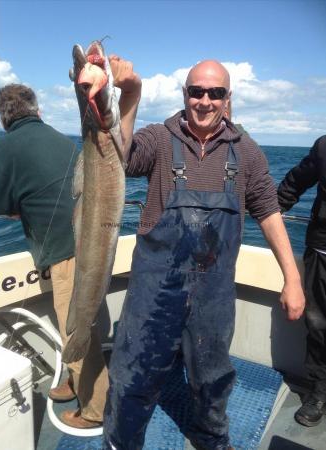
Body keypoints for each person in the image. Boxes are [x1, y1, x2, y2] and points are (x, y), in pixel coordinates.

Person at [103, 58, 306, 450]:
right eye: (197, 91)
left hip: (214, 293)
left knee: (212, 377)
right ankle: (122, 442)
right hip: (154, 291)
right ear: (185, 95)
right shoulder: (160, 140)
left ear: (228, 99)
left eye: (216, 93)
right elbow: (121, 158)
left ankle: (211, 437)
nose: (206, 101)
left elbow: (267, 210)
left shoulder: (246, 152)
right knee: (133, 378)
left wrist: (293, 279)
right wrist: (130, 94)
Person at [0, 84, 108, 428]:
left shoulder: (8, 145)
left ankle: (96, 409)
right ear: (37, 110)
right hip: (90, 243)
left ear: (4, 117)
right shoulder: (58, 136)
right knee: (84, 322)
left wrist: (16, 207)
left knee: (76, 332)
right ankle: (75, 381)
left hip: (64, 251)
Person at [278, 135, 326, 427]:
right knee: (319, 326)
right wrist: (270, 210)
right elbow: (296, 181)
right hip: (322, 251)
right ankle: (320, 389)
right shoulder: (324, 147)